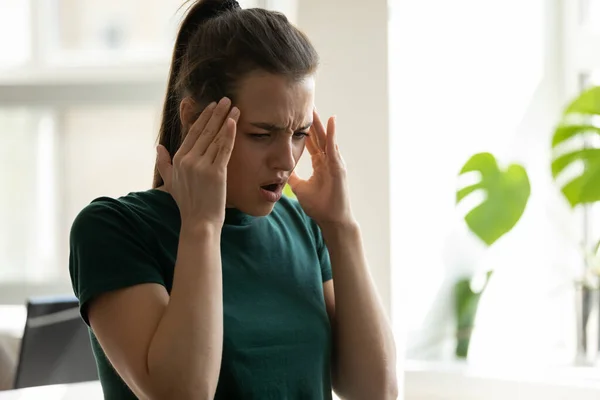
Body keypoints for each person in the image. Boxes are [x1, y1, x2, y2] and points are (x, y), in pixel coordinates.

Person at [69, 0, 397, 399]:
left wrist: (342, 228)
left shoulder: (304, 227)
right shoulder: (113, 229)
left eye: (299, 134)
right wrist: (202, 227)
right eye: (261, 135)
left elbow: (375, 392)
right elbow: (182, 394)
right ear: (193, 119)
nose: (286, 159)